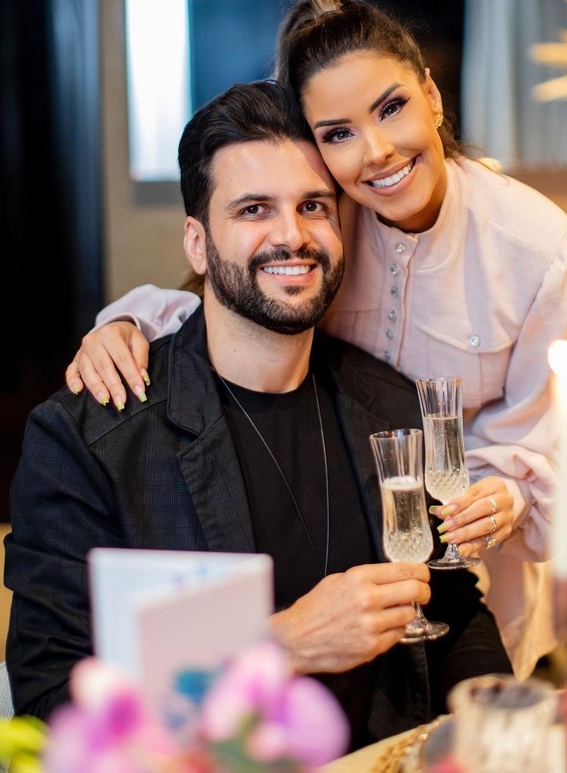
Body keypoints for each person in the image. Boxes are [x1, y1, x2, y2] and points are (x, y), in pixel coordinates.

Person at [64, 0, 567, 679]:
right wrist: (128, 322)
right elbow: (231, 289)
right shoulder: (325, 216)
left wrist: (512, 492)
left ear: (432, 95)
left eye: (392, 107)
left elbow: (551, 448)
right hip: (324, 577)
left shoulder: (540, 252)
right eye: (338, 134)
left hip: (474, 585)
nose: (376, 153)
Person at [5, 80, 512, 749]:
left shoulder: (389, 403)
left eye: (313, 206)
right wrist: (280, 645)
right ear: (197, 243)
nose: (292, 236)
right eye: (253, 209)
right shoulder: (88, 440)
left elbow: (452, 609)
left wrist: (508, 730)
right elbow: (50, 705)